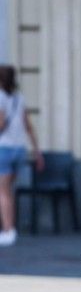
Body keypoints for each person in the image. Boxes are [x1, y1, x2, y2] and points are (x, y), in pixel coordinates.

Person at [0, 65, 42, 247]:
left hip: (4, 148)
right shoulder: (20, 98)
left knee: (3, 192)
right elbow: (28, 126)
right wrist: (37, 150)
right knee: (10, 191)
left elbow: (0, 124)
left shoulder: (0, 98)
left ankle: (8, 230)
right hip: (20, 149)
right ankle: (10, 228)